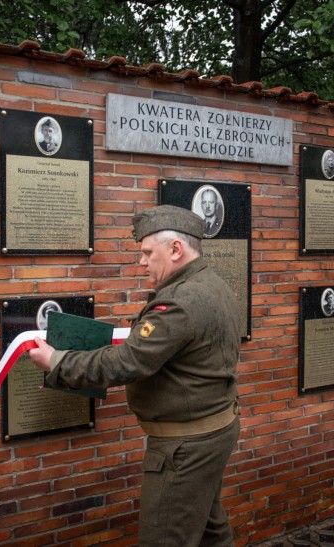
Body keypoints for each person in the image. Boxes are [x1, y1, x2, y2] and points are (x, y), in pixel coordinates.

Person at [29, 204, 241, 546]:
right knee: (208, 531)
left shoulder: (178, 302)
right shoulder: (212, 283)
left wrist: (57, 361)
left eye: (146, 252)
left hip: (184, 449)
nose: (141, 261)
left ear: (175, 250)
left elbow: (126, 363)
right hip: (213, 429)